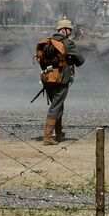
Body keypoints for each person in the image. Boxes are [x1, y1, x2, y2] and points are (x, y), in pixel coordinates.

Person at [37, 18, 85, 146]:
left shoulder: (48, 42)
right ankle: (47, 136)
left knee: (58, 104)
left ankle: (58, 133)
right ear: (64, 30)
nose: (70, 32)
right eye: (69, 29)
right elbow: (81, 61)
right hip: (61, 79)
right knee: (56, 106)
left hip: (48, 78)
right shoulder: (67, 43)